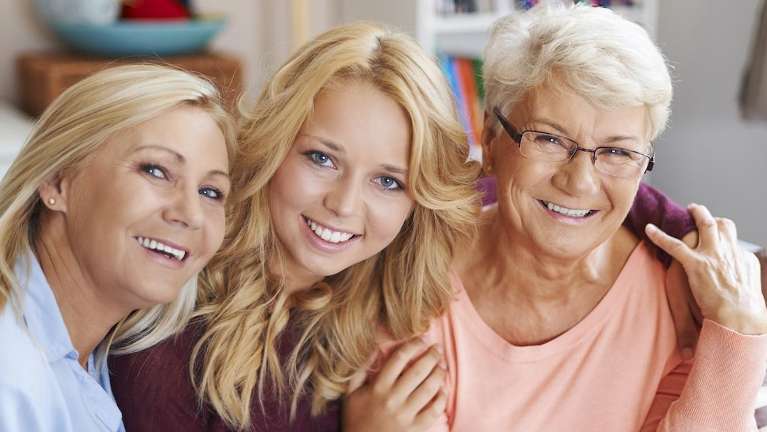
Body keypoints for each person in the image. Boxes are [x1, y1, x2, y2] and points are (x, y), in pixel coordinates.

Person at [110, 22, 698, 432]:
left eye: (388, 181)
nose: (344, 205)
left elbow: (550, 188)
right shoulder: (171, 323)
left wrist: (694, 237)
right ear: (272, 144)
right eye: (321, 158)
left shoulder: (376, 274)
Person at [353, 4, 766, 431]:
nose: (580, 182)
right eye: (549, 139)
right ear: (492, 142)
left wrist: (743, 330)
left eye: (618, 152)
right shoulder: (414, 277)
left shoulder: (678, 300)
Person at [0, 64, 237, 432]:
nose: (190, 214)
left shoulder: (96, 361)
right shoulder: (12, 375)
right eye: (156, 171)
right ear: (57, 181)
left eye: (210, 192)